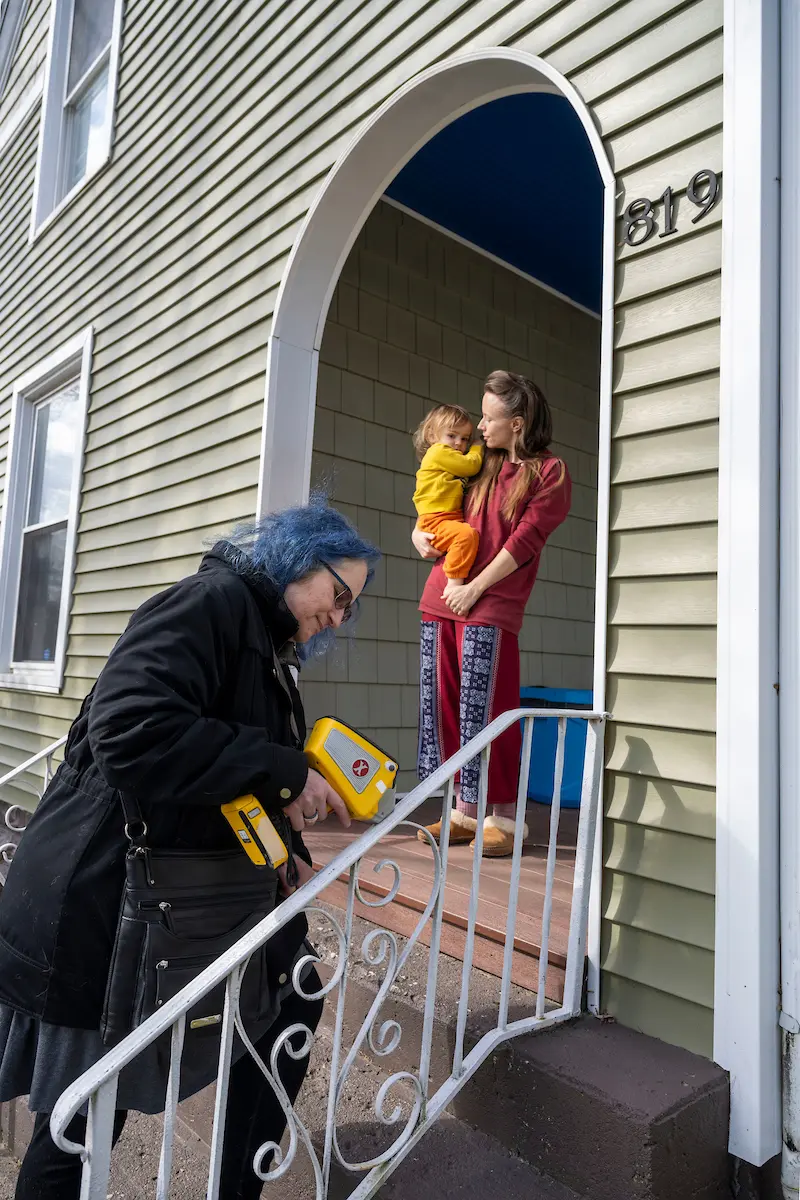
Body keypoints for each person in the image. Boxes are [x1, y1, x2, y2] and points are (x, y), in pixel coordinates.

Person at [0, 500, 379, 1200]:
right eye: (340, 595)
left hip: (193, 898)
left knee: (289, 997)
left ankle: (236, 1187)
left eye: (351, 608)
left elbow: (223, 765)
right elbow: (130, 732)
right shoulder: (210, 604)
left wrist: (285, 845)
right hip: (108, 897)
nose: (340, 616)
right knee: (85, 1116)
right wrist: (287, 769)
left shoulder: (266, 644)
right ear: (300, 560)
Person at [413, 371, 571, 858]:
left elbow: (524, 542)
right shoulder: (478, 465)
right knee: (444, 707)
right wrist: (416, 534)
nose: (480, 425)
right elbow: (435, 497)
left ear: (517, 424)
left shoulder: (549, 473)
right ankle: (463, 811)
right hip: (442, 594)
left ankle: (503, 815)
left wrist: (477, 587)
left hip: (489, 604)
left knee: (490, 711)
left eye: (489, 417)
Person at [411, 403, 484, 588]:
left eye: (465, 438)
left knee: (463, 537)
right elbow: (471, 466)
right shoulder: (438, 452)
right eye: (451, 435)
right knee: (465, 536)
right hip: (436, 519)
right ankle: (454, 583)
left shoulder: (450, 457)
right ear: (432, 435)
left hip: (445, 517)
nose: (459, 443)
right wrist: (477, 447)